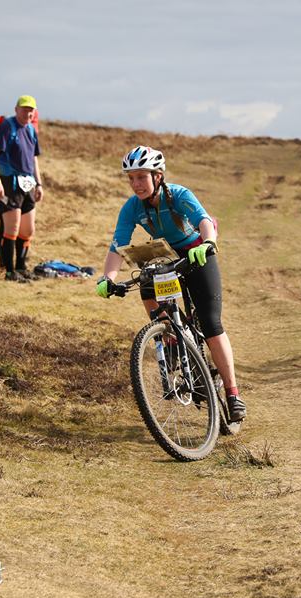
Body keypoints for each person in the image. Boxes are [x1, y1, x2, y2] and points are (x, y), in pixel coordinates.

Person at [95, 145, 247, 423]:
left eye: (142, 177)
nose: (136, 184)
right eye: (131, 178)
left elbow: (204, 221)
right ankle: (172, 336)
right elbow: (118, 245)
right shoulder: (131, 207)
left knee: (211, 324)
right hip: (166, 256)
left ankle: (233, 393)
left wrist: (208, 243)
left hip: (196, 253)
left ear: (158, 176)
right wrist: (108, 278)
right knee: (145, 283)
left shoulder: (178, 195)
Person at [0, 95, 43, 283]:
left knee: (28, 230)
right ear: (16, 109)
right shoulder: (6, 127)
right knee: (12, 227)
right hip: (9, 182)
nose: (28, 113)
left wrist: (39, 183)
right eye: (24, 109)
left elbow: (34, 159)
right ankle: (9, 271)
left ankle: (21, 267)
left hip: (28, 183)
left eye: (31, 110)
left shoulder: (31, 130)